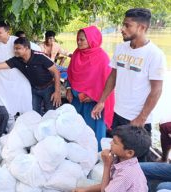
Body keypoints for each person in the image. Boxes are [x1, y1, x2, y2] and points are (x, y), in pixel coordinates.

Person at [91, 8, 167, 160]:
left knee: (137, 163)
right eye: (123, 25)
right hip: (118, 113)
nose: (122, 29)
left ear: (142, 28)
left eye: (127, 25)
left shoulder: (155, 55)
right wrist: (102, 101)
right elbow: (113, 76)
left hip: (138, 120)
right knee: (118, 155)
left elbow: (156, 90)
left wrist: (141, 118)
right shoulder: (121, 48)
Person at [0, 37, 61, 115]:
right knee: (34, 114)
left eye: (18, 48)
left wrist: (57, 92)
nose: (15, 51)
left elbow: (56, 72)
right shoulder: (16, 60)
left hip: (48, 88)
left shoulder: (40, 57)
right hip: (34, 90)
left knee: (51, 113)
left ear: (26, 48)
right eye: (14, 48)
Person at [66, 26, 115, 151]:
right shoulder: (77, 53)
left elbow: (107, 82)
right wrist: (68, 88)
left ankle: (95, 157)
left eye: (82, 39)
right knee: (76, 131)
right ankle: (77, 154)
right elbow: (70, 74)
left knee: (93, 134)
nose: (79, 42)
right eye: (78, 39)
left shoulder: (102, 58)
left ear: (92, 40)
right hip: (77, 102)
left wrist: (93, 97)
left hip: (93, 105)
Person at [73, 125, 151, 192]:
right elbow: (111, 184)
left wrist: (107, 165)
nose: (110, 143)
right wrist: (85, 190)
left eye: (115, 142)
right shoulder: (123, 159)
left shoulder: (126, 174)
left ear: (129, 153)